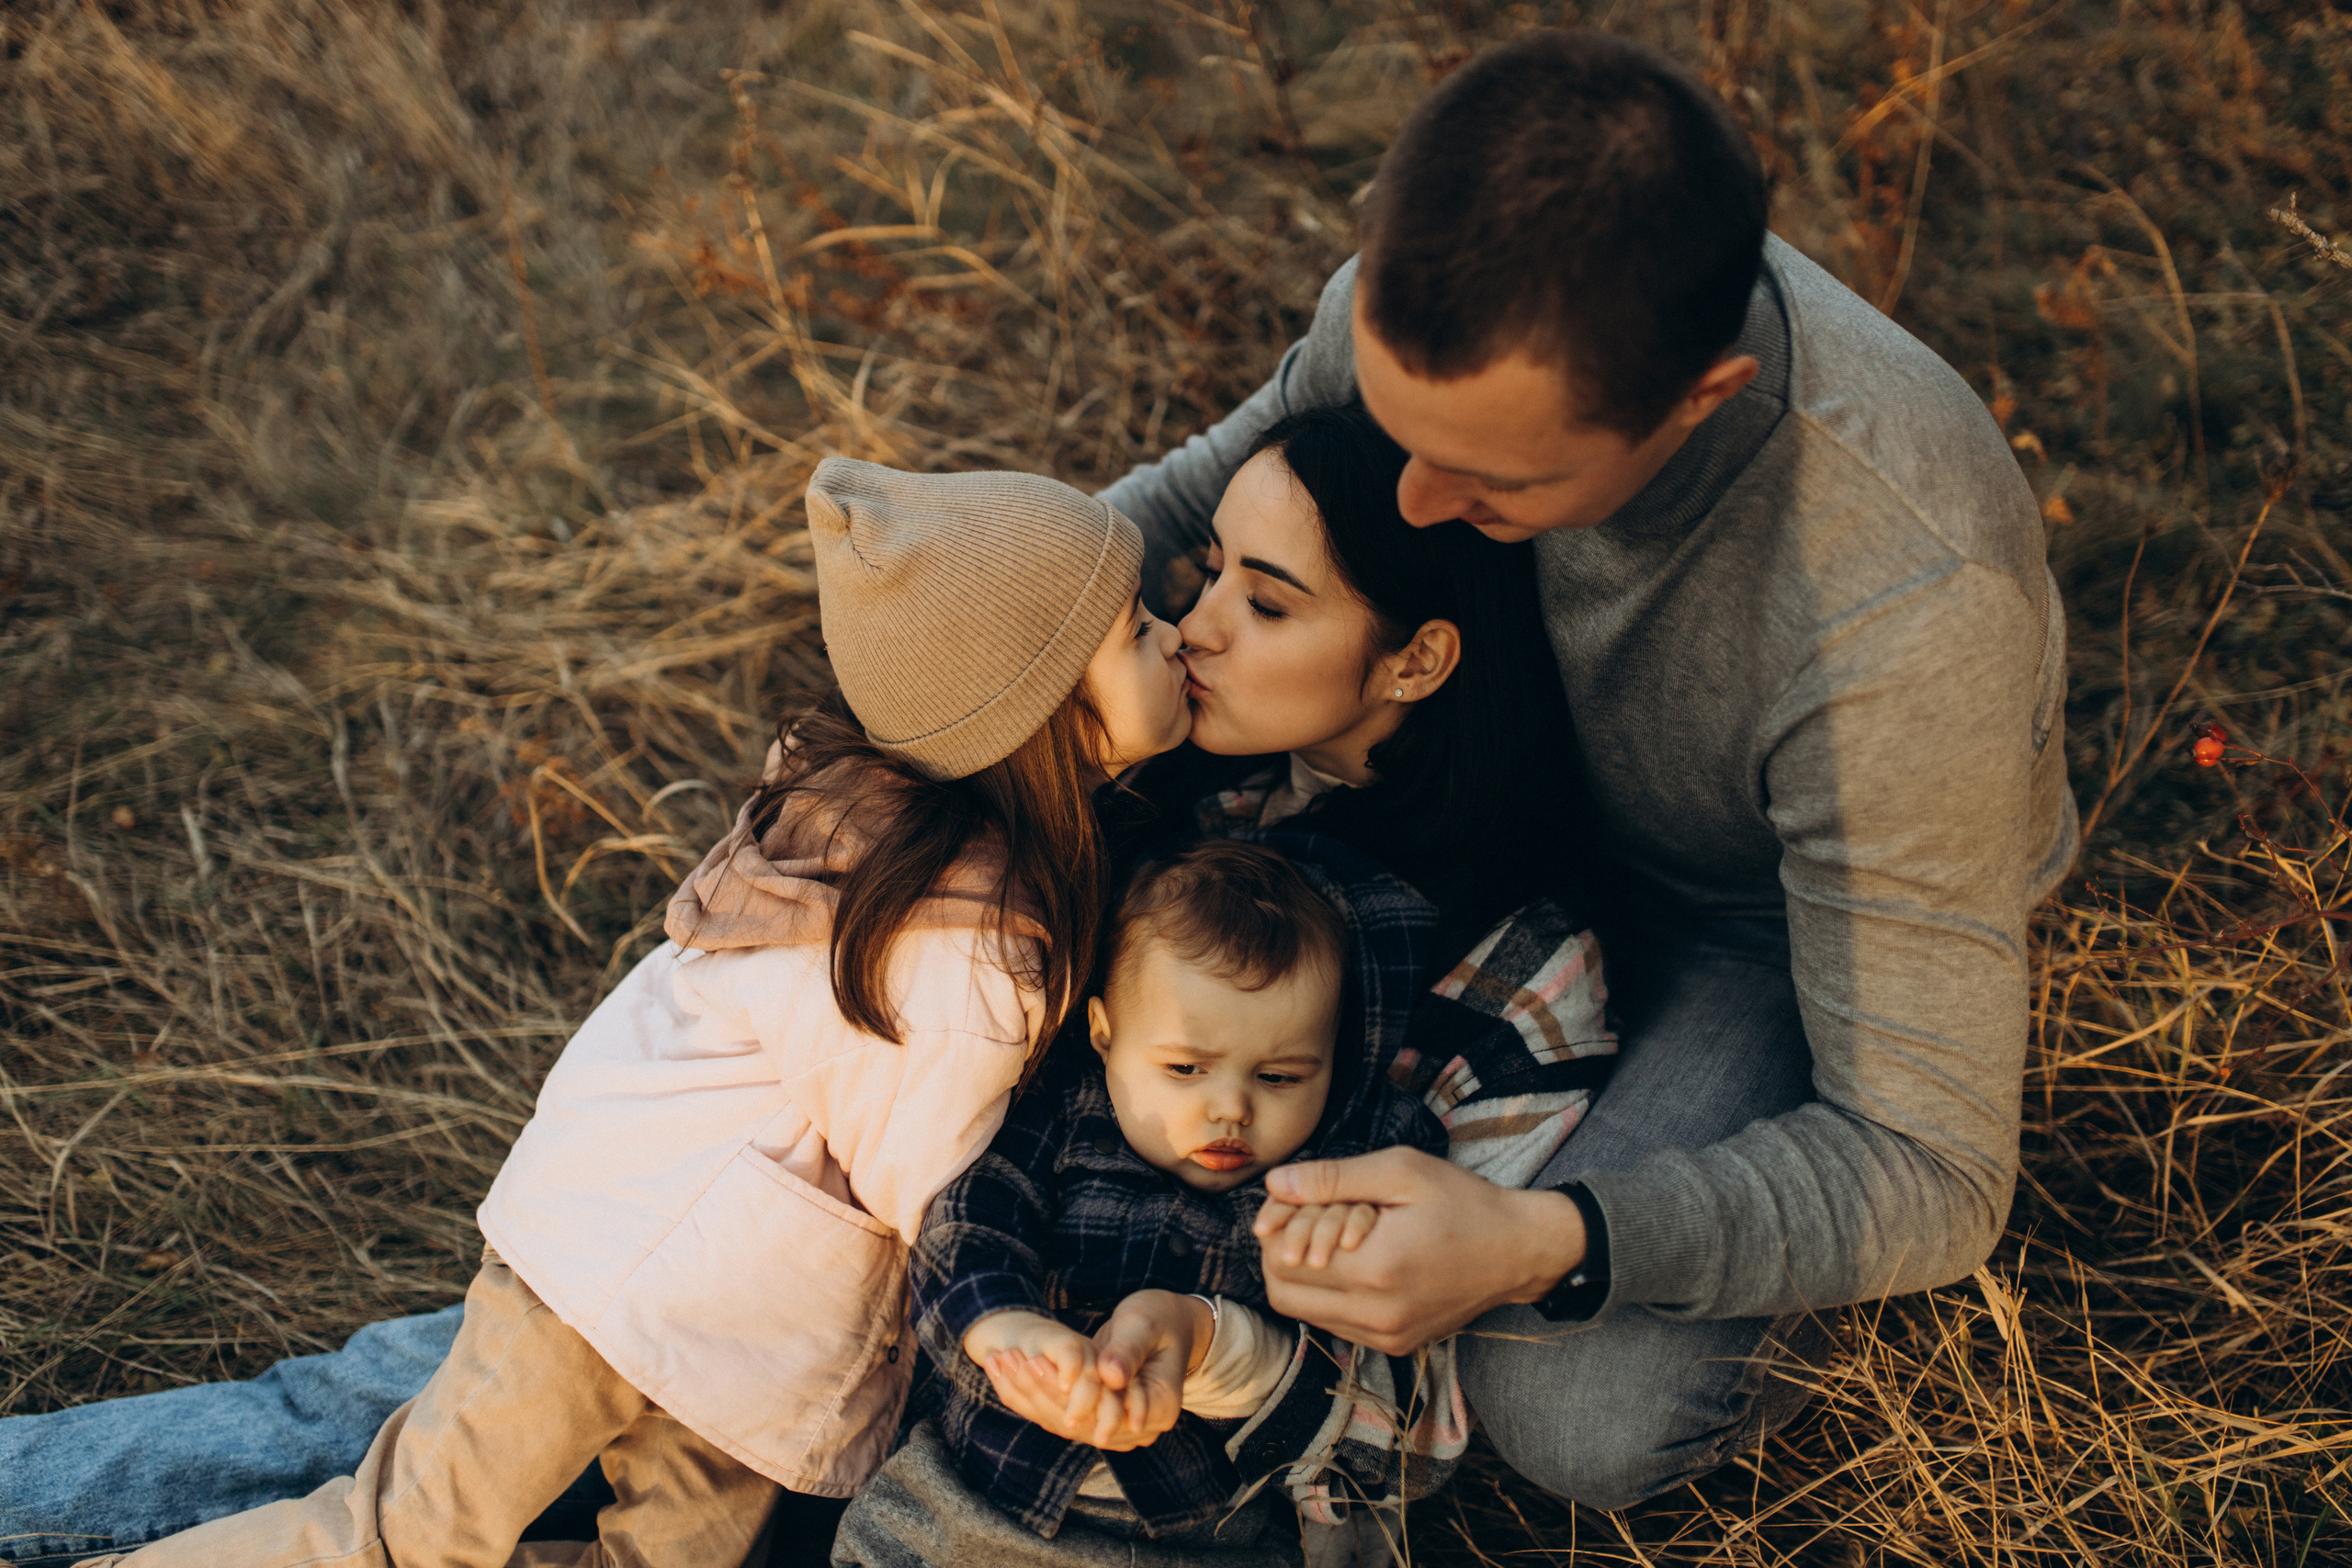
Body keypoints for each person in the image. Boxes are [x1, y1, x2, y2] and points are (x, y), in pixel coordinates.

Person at [1098, 26, 2076, 1511]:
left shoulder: (1902, 600)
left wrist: (1548, 1242)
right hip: (1485, 808)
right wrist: (975, 643)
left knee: (1572, 1408)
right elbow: (1180, 499)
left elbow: (1929, 1166)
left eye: (1494, 481)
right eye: (1397, 430)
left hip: (1764, 922)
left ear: (1699, 397)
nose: (1417, 497)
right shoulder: (1421, 313)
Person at [69, 457, 1193, 1567]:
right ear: (1043, 708)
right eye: (1141, 628)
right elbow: (930, 1183)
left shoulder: (910, 845)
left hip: (736, 1328)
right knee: (416, 1534)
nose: (1179, 633)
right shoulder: (962, 944)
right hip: (618, 1281)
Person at [831, 837, 1451, 1568]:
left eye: (1280, 1077)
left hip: (1200, 1534)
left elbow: (1385, 1406)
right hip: (977, 1492)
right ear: (1104, 1033)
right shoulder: (1061, 1117)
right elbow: (969, 1221)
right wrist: (1006, 1332)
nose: (1231, 1108)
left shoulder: (1341, 1179)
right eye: (1185, 1068)